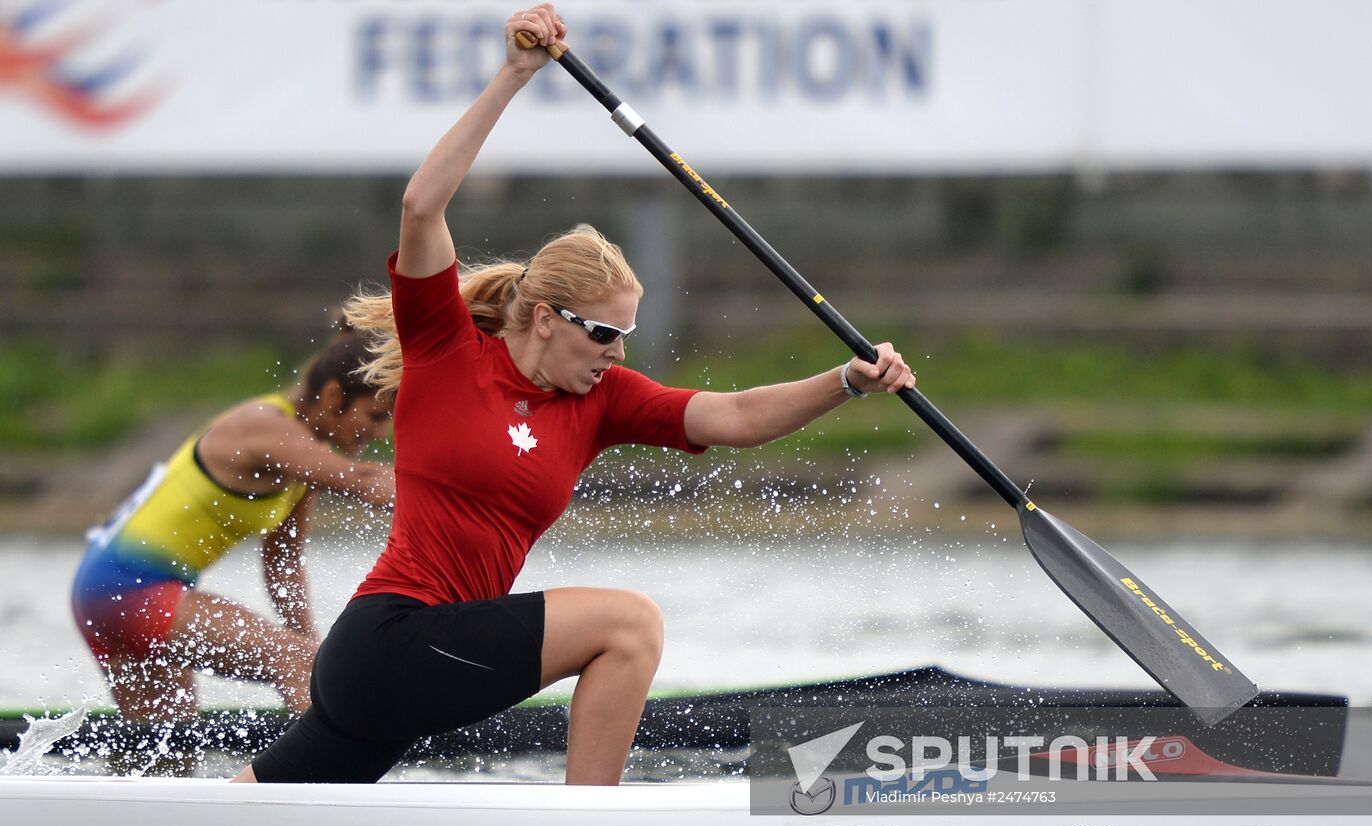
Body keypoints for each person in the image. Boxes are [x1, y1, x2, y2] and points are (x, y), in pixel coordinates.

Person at [238, 3, 914, 786]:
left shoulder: (604, 399)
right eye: (602, 333)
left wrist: (845, 382)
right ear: (541, 317)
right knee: (629, 624)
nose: (617, 351)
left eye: (626, 333)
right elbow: (422, 206)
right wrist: (514, 76)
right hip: (392, 639)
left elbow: (733, 415)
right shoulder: (445, 348)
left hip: (409, 667)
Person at [71, 329, 395, 726]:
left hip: (100, 595)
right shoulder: (263, 427)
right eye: (375, 416)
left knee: (166, 752)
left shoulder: (304, 462)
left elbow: (284, 565)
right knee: (291, 657)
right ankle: (334, 773)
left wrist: (312, 652)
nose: (381, 432)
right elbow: (363, 481)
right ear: (332, 396)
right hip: (129, 589)